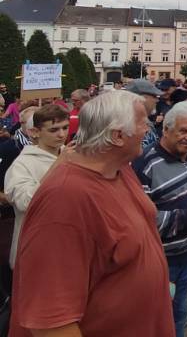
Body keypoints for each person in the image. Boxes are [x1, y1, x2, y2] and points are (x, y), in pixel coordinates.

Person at [10, 90, 174, 336]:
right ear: (118, 136)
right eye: (142, 123)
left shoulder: (120, 168)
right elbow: (52, 325)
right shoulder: (64, 199)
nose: (148, 129)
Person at [133, 100, 187, 337]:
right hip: (158, 262)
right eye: (183, 130)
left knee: (178, 317)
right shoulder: (145, 164)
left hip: (185, 258)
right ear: (166, 129)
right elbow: (139, 221)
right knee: (154, 322)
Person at [5, 105, 68, 269]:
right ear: (35, 132)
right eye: (54, 130)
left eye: (65, 128)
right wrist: (57, 167)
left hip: (67, 249)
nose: (62, 134)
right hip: (35, 254)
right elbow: (25, 202)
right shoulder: (22, 165)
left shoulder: (73, 155)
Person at [126, 78, 165, 151]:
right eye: (154, 96)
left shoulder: (147, 122)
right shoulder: (125, 126)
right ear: (141, 98)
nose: (157, 100)